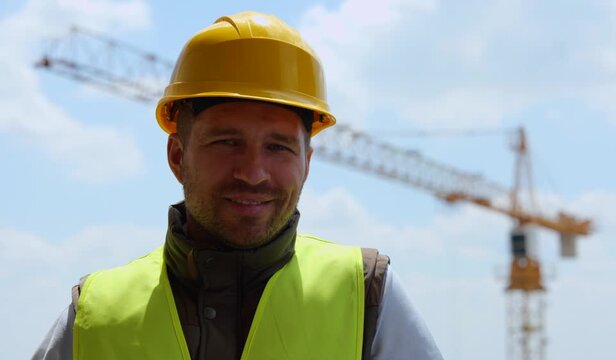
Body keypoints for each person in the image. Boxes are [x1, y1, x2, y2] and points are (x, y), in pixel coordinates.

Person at [33, 11, 443, 360]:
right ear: (178, 156)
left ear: (307, 164)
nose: (253, 172)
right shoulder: (93, 314)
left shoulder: (369, 293)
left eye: (278, 148)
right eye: (227, 142)